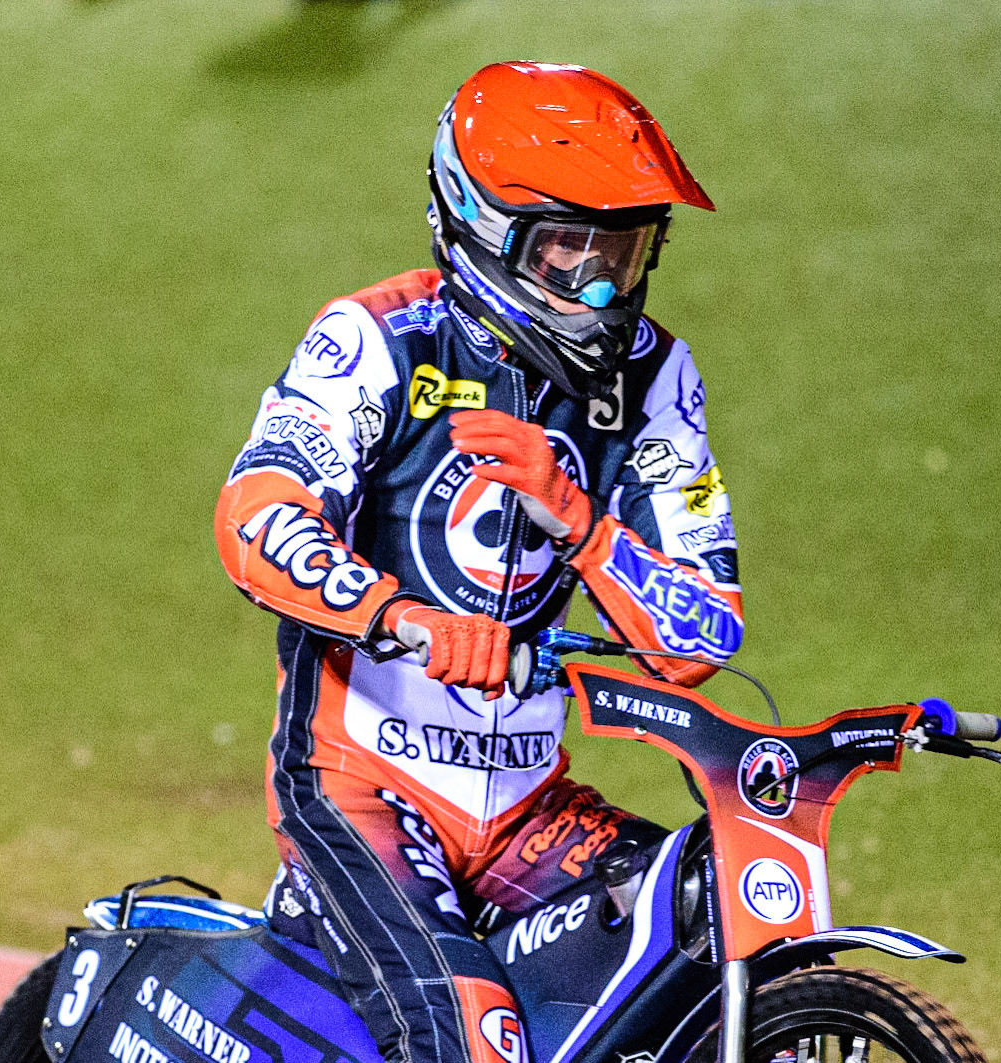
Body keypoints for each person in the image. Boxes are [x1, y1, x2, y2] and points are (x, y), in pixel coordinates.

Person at [214, 61, 744, 1063]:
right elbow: (254, 515)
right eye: (564, 251)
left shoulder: (658, 378)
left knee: (709, 921)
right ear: (476, 222)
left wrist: (580, 522)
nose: (597, 289)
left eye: (621, 254)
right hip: (363, 790)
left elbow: (702, 634)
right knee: (469, 1037)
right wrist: (399, 619)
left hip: (529, 808)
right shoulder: (375, 338)